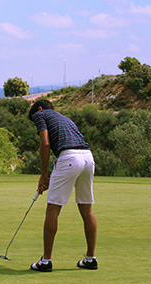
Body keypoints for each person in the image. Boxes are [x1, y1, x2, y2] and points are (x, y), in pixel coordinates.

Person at [28, 99, 98, 272]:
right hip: (88, 158)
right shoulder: (64, 117)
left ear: (40, 108)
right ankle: (90, 258)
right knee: (86, 209)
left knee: (53, 208)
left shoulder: (40, 114)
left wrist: (44, 175)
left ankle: (46, 261)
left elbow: (45, 143)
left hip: (69, 158)